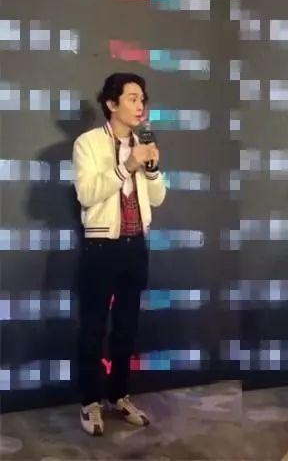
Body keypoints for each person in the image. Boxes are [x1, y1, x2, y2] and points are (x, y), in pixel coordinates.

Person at [73, 73, 166, 435]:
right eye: (132, 98)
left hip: (135, 245)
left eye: (142, 99)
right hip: (101, 246)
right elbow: (87, 193)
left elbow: (157, 199)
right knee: (93, 328)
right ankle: (90, 403)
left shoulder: (144, 143)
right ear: (111, 104)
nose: (140, 105)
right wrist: (127, 165)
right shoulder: (88, 143)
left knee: (127, 328)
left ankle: (119, 395)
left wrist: (152, 169)